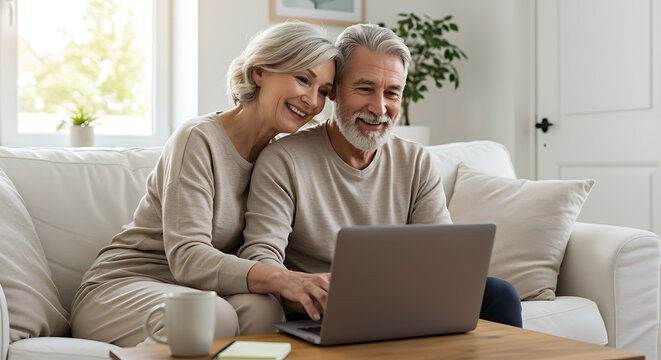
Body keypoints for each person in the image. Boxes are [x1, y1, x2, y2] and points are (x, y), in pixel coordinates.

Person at [70, 21, 341, 346]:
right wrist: (284, 278)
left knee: (263, 309)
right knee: (211, 315)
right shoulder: (198, 138)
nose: (312, 100)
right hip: (124, 286)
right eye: (303, 79)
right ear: (260, 72)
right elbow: (187, 255)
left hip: (199, 292)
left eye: (323, 91)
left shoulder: (278, 158)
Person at [238, 23, 523, 327]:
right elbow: (260, 255)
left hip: (403, 299)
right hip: (320, 308)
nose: (379, 107)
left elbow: (442, 255)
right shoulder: (284, 159)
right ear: (333, 91)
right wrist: (302, 289)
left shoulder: (415, 161)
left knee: (500, 293)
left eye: (392, 93)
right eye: (364, 89)